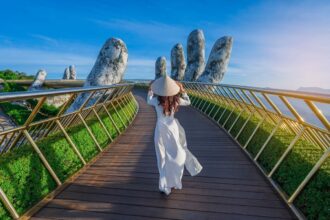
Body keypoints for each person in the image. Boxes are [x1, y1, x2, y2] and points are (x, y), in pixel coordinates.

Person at [147, 75, 203, 195]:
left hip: (161, 129)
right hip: (173, 129)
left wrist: (150, 89)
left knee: (161, 156)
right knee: (177, 153)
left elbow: (148, 100)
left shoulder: (157, 101)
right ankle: (175, 181)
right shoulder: (176, 101)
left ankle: (164, 185)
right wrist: (183, 91)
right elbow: (188, 102)